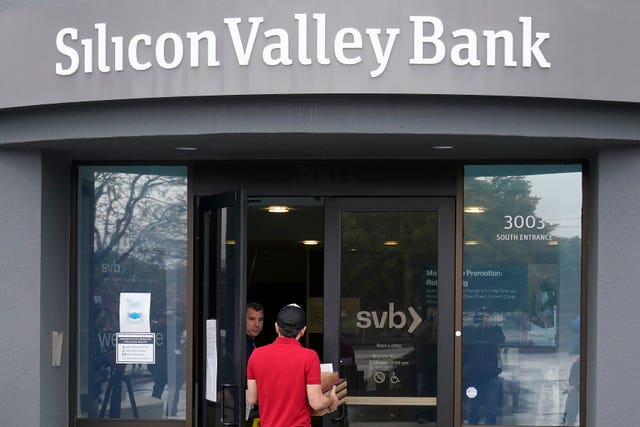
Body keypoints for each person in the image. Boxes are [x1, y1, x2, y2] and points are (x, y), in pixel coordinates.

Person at [247, 303, 339, 427]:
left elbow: (252, 399)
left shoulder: (256, 355)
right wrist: (331, 398)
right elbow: (316, 403)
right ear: (303, 330)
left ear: (276, 327)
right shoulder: (309, 357)